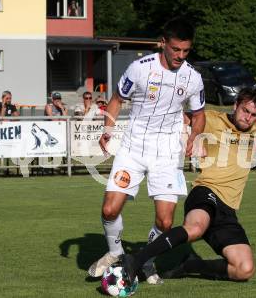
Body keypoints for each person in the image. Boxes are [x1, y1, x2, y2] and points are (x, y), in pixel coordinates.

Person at [120, 88, 256, 284]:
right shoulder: (212, 119)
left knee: (244, 269)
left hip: (228, 209)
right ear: (235, 106)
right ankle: (136, 260)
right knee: (195, 228)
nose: (248, 118)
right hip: (205, 192)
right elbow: (182, 118)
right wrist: (190, 137)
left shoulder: (252, 130)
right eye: (245, 111)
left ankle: (192, 265)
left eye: (254, 115)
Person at [87, 17, 206, 285]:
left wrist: (195, 136)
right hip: (133, 148)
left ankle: (145, 260)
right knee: (109, 209)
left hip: (167, 152)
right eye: (176, 49)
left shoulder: (193, 78)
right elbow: (117, 100)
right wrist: (108, 129)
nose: (180, 56)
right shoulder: (139, 69)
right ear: (163, 43)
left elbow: (199, 115)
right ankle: (116, 253)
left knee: (165, 223)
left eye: (186, 51)